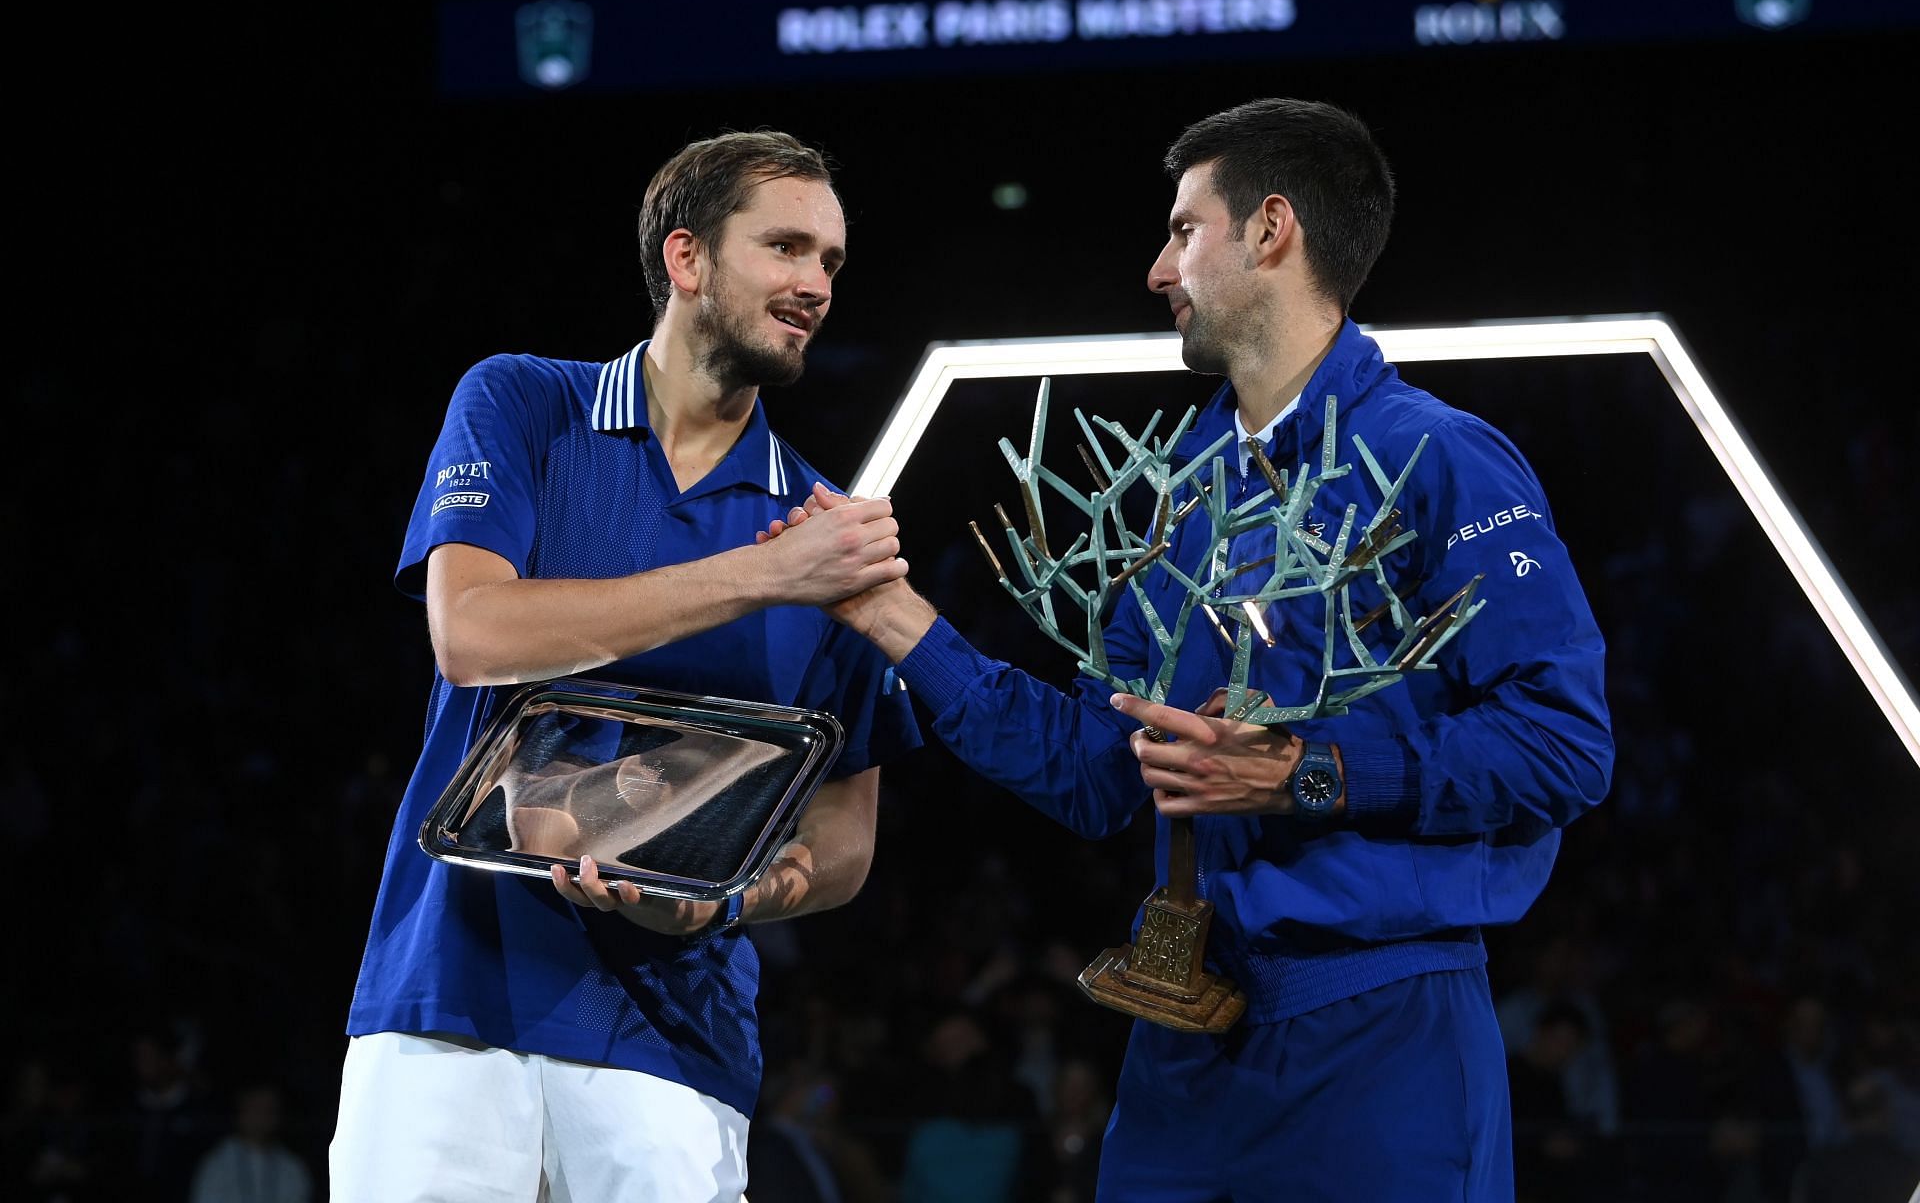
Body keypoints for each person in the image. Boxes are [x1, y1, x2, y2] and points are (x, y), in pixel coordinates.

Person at [769, 98, 1613, 1200]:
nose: (1158, 271)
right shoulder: (1175, 498)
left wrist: (1306, 770)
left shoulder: (1441, 460)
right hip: (1183, 1039)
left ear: (1271, 230)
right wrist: (896, 619)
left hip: (1379, 1033)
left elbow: (1562, 744)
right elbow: (1095, 772)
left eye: (1182, 230)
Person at [331, 130, 920, 1201]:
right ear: (686, 258)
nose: (815, 284)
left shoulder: (828, 532)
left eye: (831, 260)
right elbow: (470, 633)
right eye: (786, 247)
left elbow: (844, 834)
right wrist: (759, 575)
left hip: (673, 1037)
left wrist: (728, 902)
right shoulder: (522, 404)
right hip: (451, 995)